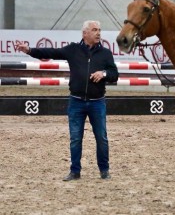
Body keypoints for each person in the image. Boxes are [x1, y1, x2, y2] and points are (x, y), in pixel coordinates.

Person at [16, 20, 119, 181]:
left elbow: (114, 74)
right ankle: (75, 171)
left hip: (97, 102)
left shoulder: (106, 53)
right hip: (76, 102)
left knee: (102, 138)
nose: (98, 33)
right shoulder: (73, 50)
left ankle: (104, 170)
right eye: (94, 30)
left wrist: (104, 73)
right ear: (85, 33)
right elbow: (51, 52)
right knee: (75, 138)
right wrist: (29, 50)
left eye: (99, 30)